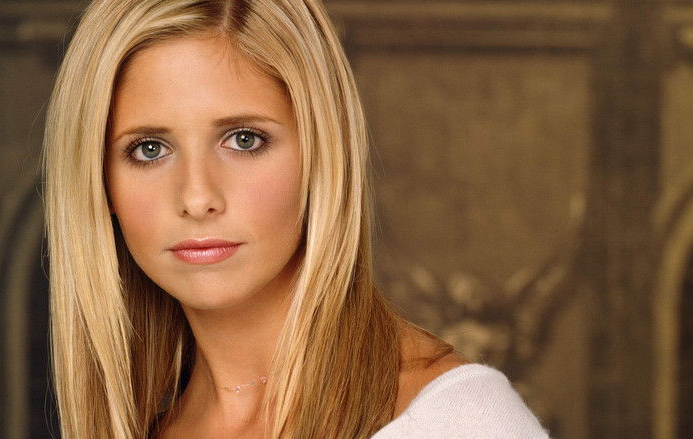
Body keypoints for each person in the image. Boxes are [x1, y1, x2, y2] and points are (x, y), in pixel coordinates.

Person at [42, 0, 550, 437]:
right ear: (98, 180)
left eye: (244, 139)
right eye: (149, 149)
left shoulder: (455, 422)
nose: (196, 198)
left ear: (320, 152)